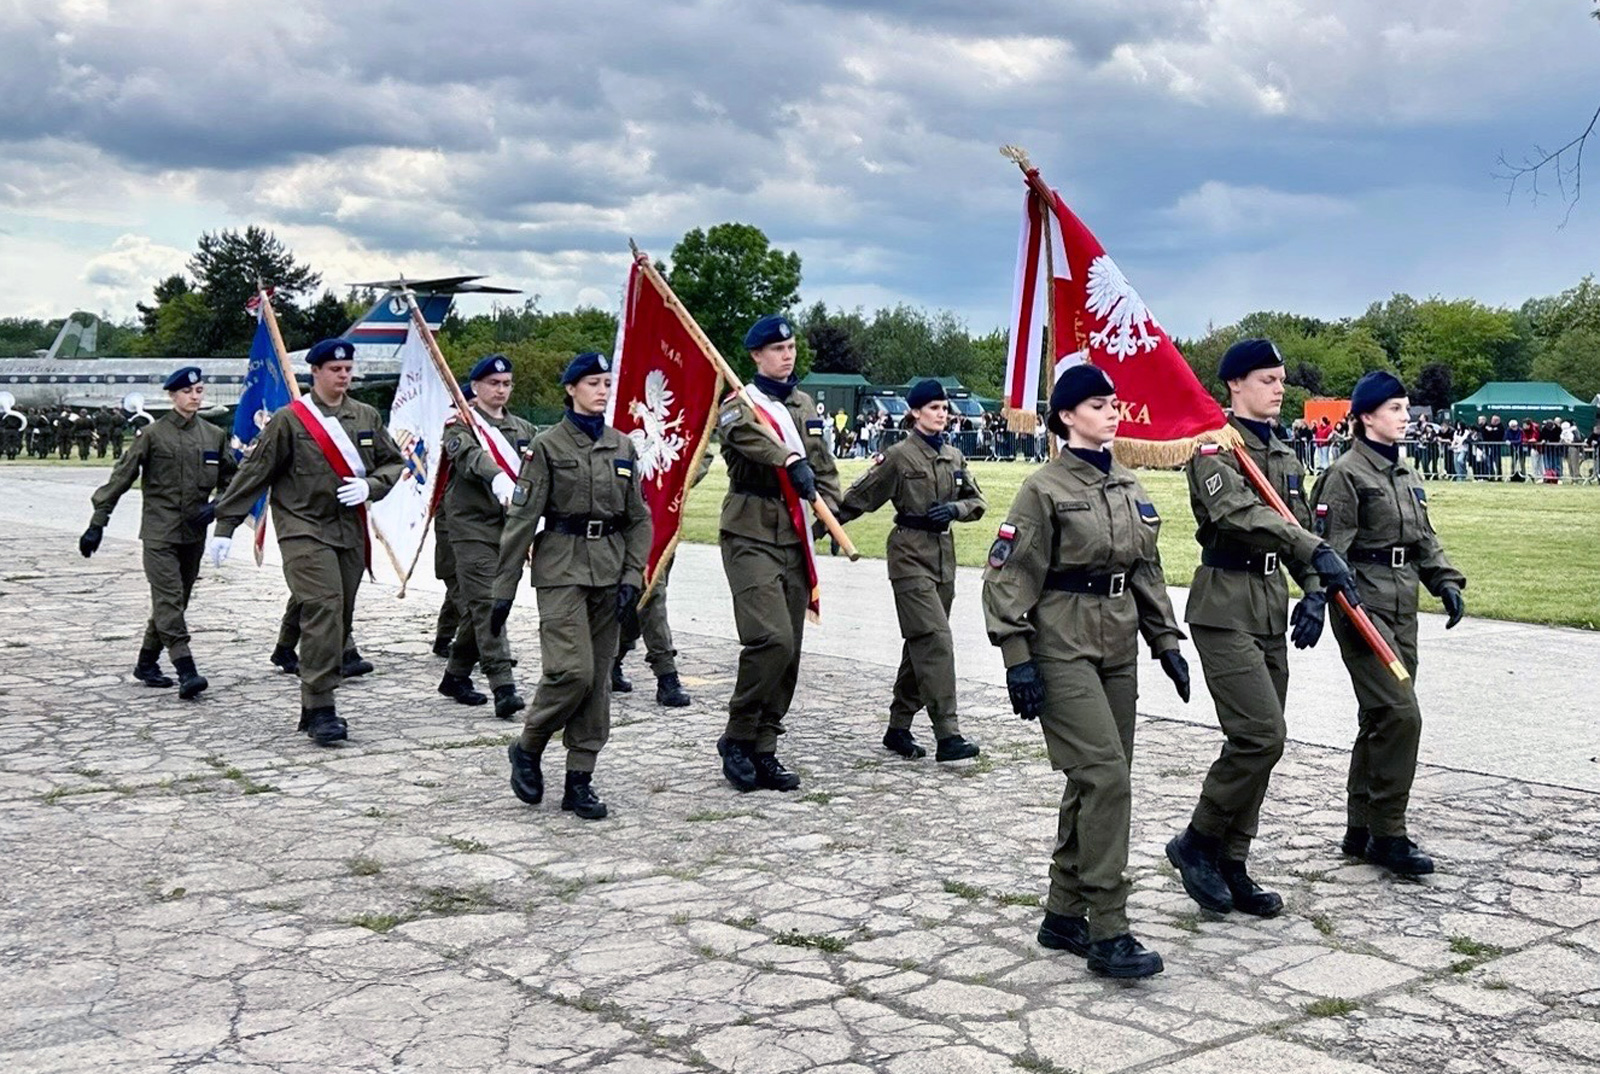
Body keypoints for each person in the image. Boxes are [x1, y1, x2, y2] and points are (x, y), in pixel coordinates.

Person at [982, 363, 1191, 980]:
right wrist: (1017, 659)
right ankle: (1108, 927)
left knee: (1099, 778)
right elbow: (1008, 575)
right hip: (1061, 644)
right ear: (1067, 416)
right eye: (1098, 404)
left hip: (1118, 643)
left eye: (1115, 402)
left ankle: (1063, 911)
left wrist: (1167, 641)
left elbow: (1145, 570)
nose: (1112, 411)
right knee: (1106, 778)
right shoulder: (1042, 489)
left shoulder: (1128, 483)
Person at [1166, 340, 1360, 917]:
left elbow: (1296, 527)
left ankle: (1232, 860)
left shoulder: (1283, 453)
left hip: (1270, 605)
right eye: (1267, 379)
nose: (1279, 388)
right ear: (1234, 385)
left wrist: (1317, 593)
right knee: (1260, 735)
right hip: (1224, 605)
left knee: (1262, 745)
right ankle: (1196, 841)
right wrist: (1312, 547)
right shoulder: (1213, 449)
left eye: (1281, 379)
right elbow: (1240, 516)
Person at [210, 338, 405, 745]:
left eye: (349, 369)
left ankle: (310, 700)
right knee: (323, 607)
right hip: (302, 528)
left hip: (348, 530)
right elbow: (254, 474)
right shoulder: (289, 420)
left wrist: (371, 486)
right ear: (315, 373)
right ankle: (321, 708)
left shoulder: (364, 415)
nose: (344, 375)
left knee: (342, 613)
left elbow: (394, 462)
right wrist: (225, 526)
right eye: (336, 370)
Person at [1312, 371, 1466, 876]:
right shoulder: (1346, 475)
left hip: (1402, 605)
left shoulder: (1406, 474)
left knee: (1380, 718)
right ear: (1366, 417)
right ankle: (1389, 833)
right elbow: (1330, 549)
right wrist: (1327, 600)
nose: (1406, 416)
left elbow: (1424, 539)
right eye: (1397, 408)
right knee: (1402, 715)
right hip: (1363, 605)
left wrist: (1444, 581)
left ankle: (1361, 828)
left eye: (1406, 408)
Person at [491, 352, 651, 820]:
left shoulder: (622, 446)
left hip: (609, 568)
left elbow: (638, 518)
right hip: (560, 567)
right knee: (572, 672)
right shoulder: (547, 446)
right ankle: (529, 744)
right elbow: (522, 518)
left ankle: (579, 780)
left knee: (598, 681)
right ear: (571, 389)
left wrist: (632, 574)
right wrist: (503, 589)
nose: (602, 390)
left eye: (607, 383)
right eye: (593, 383)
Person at [713, 314, 842, 792]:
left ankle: (764, 747)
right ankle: (737, 734)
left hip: (793, 534)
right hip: (750, 531)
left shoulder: (805, 404)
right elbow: (748, 440)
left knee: (791, 651)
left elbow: (822, 464)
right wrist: (789, 460)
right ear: (756, 356)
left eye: (790, 347)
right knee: (771, 640)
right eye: (777, 349)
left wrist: (833, 512)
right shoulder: (740, 404)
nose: (786, 355)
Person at [835, 378, 985, 762]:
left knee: (920, 645)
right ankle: (948, 735)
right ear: (915, 412)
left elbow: (976, 501)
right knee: (935, 640)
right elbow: (858, 497)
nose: (942, 413)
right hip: (909, 556)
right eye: (933, 407)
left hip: (943, 558)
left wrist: (955, 510)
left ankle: (898, 727)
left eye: (944, 407)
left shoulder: (953, 456)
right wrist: (820, 526)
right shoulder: (899, 455)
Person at [80, 366, 237, 697]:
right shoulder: (153, 435)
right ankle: (186, 669)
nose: (195, 397)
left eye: (199, 392)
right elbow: (121, 478)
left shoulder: (213, 435)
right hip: (159, 533)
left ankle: (146, 662)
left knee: (176, 602)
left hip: (193, 533)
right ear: (172, 396)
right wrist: (98, 523)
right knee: (168, 598)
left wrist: (218, 505)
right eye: (187, 392)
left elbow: (232, 480)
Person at [437, 354, 536, 719]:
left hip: (510, 531)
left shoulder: (525, 429)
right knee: (488, 605)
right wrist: (497, 477)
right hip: (471, 529)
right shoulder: (460, 425)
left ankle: (456, 674)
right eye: (493, 383)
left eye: (506, 383)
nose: (501, 390)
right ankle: (503, 685)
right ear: (475, 387)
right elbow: (470, 458)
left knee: (485, 607)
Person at [613, 450, 712, 708]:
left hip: (661, 520)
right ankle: (666, 676)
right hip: (624, 521)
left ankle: (614, 658)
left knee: (639, 600)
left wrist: (671, 482)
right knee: (652, 594)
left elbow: (702, 454)